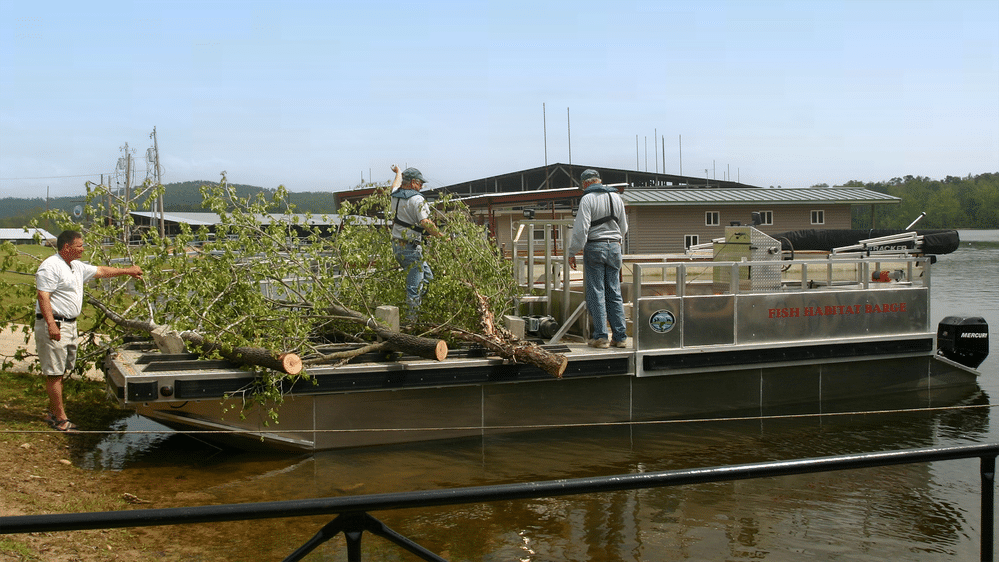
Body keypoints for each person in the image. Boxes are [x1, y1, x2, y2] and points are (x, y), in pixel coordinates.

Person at [36, 230, 143, 432]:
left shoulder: (75, 266)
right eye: (79, 246)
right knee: (54, 373)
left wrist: (127, 271)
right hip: (55, 324)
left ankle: (52, 412)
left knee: (62, 369)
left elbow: (101, 271)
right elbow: (43, 296)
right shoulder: (50, 266)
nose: (83, 249)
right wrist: (51, 324)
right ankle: (60, 419)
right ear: (67, 247)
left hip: (69, 325)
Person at [567, 169, 629, 349]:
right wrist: (615, 242)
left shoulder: (587, 199)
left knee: (596, 291)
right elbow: (623, 227)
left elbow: (581, 230)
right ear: (600, 181)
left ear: (585, 184)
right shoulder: (617, 198)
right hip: (615, 247)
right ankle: (620, 337)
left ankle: (601, 337)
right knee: (614, 291)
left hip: (595, 247)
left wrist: (572, 251)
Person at [389, 165, 442, 321]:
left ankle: (423, 312)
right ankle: (411, 324)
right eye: (420, 183)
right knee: (414, 288)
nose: (421, 186)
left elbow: (395, 184)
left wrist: (398, 172)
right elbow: (425, 221)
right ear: (412, 182)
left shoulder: (395, 195)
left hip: (398, 247)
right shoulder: (417, 199)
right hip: (410, 248)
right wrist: (441, 235)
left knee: (428, 278)